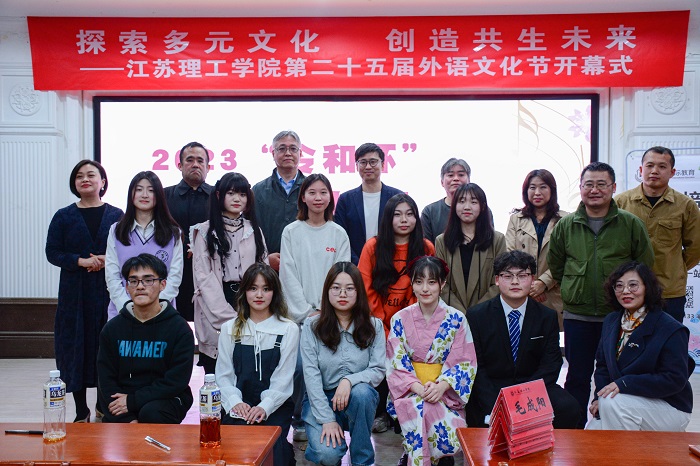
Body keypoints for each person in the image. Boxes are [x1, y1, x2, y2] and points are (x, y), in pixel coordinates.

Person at [548, 161, 655, 428]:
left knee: (614, 376)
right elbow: (557, 266)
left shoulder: (630, 224)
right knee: (577, 376)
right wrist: (575, 289)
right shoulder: (566, 225)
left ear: (613, 187)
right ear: (581, 187)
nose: (594, 190)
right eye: (589, 184)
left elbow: (644, 266)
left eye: (601, 184)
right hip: (578, 316)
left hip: (619, 317)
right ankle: (573, 432)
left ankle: (609, 429)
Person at [46, 160, 123, 423]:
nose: (85, 179)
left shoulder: (117, 215)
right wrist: (80, 261)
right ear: (74, 183)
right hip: (74, 295)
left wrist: (106, 259)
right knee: (75, 348)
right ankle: (81, 410)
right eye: (79, 176)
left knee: (106, 346)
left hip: (108, 292)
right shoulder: (63, 216)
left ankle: (103, 404)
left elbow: (127, 249)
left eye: (91, 175)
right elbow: (52, 252)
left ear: (103, 182)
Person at [465, 250, 579, 429]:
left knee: (569, 407)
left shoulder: (546, 316)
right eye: (508, 276)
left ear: (532, 279)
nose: (515, 282)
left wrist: (525, 397)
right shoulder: (477, 316)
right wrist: (498, 402)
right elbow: (476, 367)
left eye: (522, 275)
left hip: (531, 387)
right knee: (477, 412)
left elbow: (551, 363)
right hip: (492, 388)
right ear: (497, 279)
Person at [279, 173, 350, 442]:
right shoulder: (291, 232)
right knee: (299, 368)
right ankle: (298, 420)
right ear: (303, 197)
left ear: (330, 197)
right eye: (312, 192)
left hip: (332, 316)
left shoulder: (338, 233)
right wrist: (306, 312)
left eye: (323, 192)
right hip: (300, 318)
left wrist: (326, 311)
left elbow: (342, 276)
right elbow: (288, 275)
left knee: (330, 369)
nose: (318, 198)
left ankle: (329, 418)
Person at [387, 256, 477, 466]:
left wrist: (441, 386)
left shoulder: (457, 319)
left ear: (442, 284)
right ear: (411, 283)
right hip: (410, 391)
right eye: (419, 282)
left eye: (432, 282)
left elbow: (464, 362)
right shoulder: (399, 319)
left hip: (445, 393)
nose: (425, 288)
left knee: (432, 412)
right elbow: (396, 363)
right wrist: (419, 389)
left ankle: (414, 457)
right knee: (423, 408)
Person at [358, 193, 434, 433]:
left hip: (414, 322)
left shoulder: (426, 247)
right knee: (381, 358)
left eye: (409, 214)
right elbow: (365, 289)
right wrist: (383, 327)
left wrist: (405, 326)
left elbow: (425, 288)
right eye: (398, 214)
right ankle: (382, 413)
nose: (404, 220)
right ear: (388, 218)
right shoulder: (373, 247)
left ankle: (408, 411)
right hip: (377, 323)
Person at [586, 261, 693, 431]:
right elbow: (603, 367)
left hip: (669, 407)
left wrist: (625, 383)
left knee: (612, 401)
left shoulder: (670, 328)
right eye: (619, 286)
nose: (625, 291)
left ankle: (631, 450)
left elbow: (674, 379)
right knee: (592, 432)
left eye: (633, 285)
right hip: (625, 402)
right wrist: (597, 398)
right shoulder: (611, 321)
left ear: (647, 288)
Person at [301, 262, 385, 466]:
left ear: (359, 292)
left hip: (357, 400)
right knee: (327, 455)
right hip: (321, 397)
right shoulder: (311, 326)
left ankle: (362, 460)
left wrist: (349, 380)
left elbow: (378, 370)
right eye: (336, 288)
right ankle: (328, 446)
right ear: (327, 291)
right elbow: (311, 377)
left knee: (363, 393)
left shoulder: (374, 326)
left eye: (349, 288)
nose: (342, 294)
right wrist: (327, 419)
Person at [216, 263, 299, 466]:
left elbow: (283, 378)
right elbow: (224, 375)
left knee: (274, 454)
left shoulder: (288, 329)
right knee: (235, 453)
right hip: (238, 406)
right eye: (253, 288)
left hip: (275, 406)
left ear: (275, 293)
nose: (259, 295)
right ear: (244, 292)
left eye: (266, 288)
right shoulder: (229, 328)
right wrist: (235, 403)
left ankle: (284, 450)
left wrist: (265, 406)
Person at [97, 254, 194, 424]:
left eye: (148, 280)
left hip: (165, 399)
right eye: (133, 281)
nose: (140, 286)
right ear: (127, 287)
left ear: (163, 284)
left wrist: (133, 401)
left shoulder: (179, 329)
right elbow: (106, 380)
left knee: (151, 412)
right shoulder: (112, 329)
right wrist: (128, 420)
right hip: (122, 402)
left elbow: (176, 381)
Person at [191, 172, 268, 375]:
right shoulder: (204, 231)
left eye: (242, 194)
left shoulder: (254, 230)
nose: (237, 199)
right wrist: (229, 317)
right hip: (215, 302)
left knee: (248, 371)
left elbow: (264, 270)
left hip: (249, 300)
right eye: (231, 193)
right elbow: (203, 278)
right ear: (219, 195)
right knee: (217, 372)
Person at [615, 146, 700, 323]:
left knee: (669, 338)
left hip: (669, 291)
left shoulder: (686, 205)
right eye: (650, 165)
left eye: (662, 166)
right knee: (630, 338)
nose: (654, 171)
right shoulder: (620, 203)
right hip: (629, 290)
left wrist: (675, 267)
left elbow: (696, 247)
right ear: (641, 169)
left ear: (672, 172)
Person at [106, 171, 183, 320]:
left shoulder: (173, 233)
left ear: (159, 195)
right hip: (123, 312)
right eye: (139, 189)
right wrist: (127, 307)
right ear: (131, 194)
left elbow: (174, 277)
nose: (145, 195)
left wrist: (156, 308)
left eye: (151, 190)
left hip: (161, 313)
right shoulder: (116, 230)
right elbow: (112, 275)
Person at [506, 169, 567, 330]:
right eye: (532, 187)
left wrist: (543, 283)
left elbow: (567, 258)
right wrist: (529, 285)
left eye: (543, 187)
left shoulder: (565, 220)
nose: (537, 192)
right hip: (522, 293)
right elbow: (510, 254)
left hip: (553, 293)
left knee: (552, 339)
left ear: (552, 190)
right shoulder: (516, 219)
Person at [435, 183, 506, 313]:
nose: (467, 207)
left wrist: (476, 312)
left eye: (473, 202)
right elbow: (441, 282)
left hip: (487, 313)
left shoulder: (497, 240)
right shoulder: (442, 241)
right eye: (461, 201)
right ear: (454, 206)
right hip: (452, 314)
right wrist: (461, 313)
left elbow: (500, 281)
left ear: (482, 206)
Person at [164, 141, 213, 321]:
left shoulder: (218, 196)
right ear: (179, 165)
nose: (195, 165)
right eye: (189, 160)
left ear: (208, 167)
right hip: (173, 272)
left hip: (210, 272)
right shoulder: (164, 196)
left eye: (200, 161)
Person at [334, 143, 403, 265]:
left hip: (391, 265)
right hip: (355, 267)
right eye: (363, 162)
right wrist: (359, 265)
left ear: (383, 165)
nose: (368, 166)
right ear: (356, 166)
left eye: (373, 162)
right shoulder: (346, 200)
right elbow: (340, 237)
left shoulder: (397, 197)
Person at [253, 130, 307, 271]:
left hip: (306, 265)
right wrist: (264, 258)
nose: (288, 153)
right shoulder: (258, 191)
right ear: (273, 154)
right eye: (282, 149)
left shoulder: (312, 188)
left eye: (293, 149)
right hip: (267, 269)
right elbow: (250, 232)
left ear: (300, 153)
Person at [420, 158, 471, 244]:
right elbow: (427, 247)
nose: (456, 179)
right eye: (450, 175)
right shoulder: (429, 211)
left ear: (469, 180)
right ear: (442, 182)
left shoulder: (481, 209)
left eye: (461, 175)